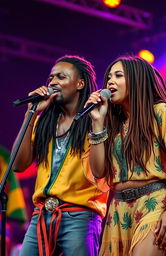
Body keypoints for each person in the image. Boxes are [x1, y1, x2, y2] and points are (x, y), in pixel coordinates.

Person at [86, 56, 166, 256]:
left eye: (118, 75)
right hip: (118, 210)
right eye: (109, 77)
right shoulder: (111, 124)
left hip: (154, 203)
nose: (110, 81)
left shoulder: (161, 112)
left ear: (137, 80)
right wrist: (96, 122)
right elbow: (98, 170)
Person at [12, 55, 109, 256]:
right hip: (41, 215)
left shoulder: (97, 119)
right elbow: (18, 165)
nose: (53, 82)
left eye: (61, 77)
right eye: (51, 78)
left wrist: (97, 125)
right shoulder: (43, 122)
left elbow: (101, 171)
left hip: (80, 217)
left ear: (80, 83)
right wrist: (31, 115)